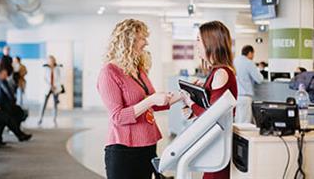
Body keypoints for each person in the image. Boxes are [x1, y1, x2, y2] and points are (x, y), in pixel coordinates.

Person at [97, 19, 180, 179]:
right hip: (124, 150)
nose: (146, 42)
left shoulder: (138, 69)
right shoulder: (109, 73)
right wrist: (150, 100)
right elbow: (118, 117)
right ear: (129, 40)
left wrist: (184, 94)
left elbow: (156, 104)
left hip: (148, 145)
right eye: (142, 38)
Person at [180, 21, 238, 179]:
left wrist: (190, 102)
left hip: (218, 144)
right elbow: (211, 108)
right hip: (214, 143)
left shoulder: (221, 73)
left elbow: (212, 117)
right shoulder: (216, 72)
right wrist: (194, 103)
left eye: (199, 39)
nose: (196, 44)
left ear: (210, 42)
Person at [0, 68, 32, 142]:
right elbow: (9, 94)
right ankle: (19, 134)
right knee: (18, 113)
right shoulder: (2, 82)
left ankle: (18, 134)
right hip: (3, 107)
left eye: (6, 74)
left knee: (14, 115)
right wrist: (12, 102)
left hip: (0, 106)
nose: (6, 76)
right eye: (4, 74)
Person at [234, 45, 263, 123]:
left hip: (236, 96)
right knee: (245, 123)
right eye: (253, 54)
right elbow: (259, 79)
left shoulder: (235, 61)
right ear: (250, 53)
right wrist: (259, 70)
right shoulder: (249, 63)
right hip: (245, 97)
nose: (253, 56)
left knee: (237, 121)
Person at [38, 55, 63, 125]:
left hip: (55, 88)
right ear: (48, 61)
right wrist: (50, 85)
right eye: (50, 60)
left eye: (53, 60)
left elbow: (59, 78)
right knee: (44, 104)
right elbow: (43, 79)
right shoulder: (45, 68)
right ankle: (40, 118)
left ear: (54, 61)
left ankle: (54, 119)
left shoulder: (57, 68)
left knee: (55, 104)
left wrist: (55, 86)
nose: (51, 62)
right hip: (47, 88)